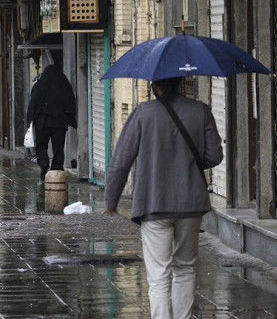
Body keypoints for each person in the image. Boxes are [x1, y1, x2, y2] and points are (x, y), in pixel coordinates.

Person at [104, 77, 224, 319]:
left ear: (155, 85)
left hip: (153, 202)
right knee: (185, 268)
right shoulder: (200, 111)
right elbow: (214, 157)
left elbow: (121, 160)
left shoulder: (143, 113)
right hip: (190, 203)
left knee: (159, 275)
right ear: (179, 82)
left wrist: (111, 201)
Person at [26, 63, 76, 180]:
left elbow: (33, 103)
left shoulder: (39, 85)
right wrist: (71, 118)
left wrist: (29, 119)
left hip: (42, 123)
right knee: (58, 147)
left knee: (41, 144)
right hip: (59, 123)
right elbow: (71, 101)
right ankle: (56, 169)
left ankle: (43, 163)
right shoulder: (63, 84)